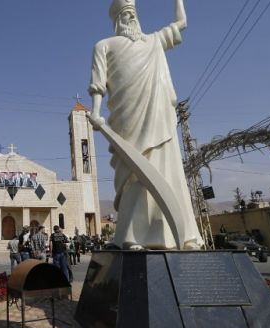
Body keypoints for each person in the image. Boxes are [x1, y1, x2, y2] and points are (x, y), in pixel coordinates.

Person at [87, 0, 203, 250]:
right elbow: (98, 84)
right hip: (127, 121)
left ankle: (184, 237)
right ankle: (132, 236)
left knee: (168, 173)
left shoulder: (153, 41)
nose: (131, 18)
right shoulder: (104, 46)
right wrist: (96, 113)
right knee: (136, 176)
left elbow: (181, 23)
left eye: (133, 13)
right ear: (117, 19)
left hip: (158, 115)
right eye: (126, 14)